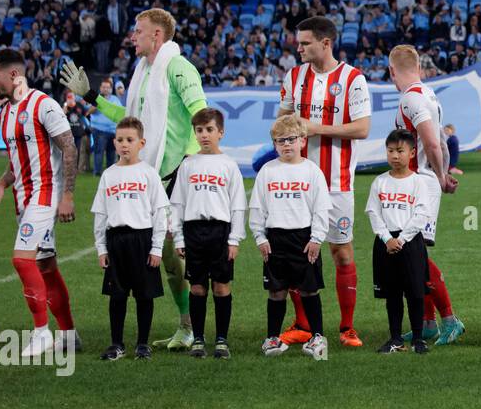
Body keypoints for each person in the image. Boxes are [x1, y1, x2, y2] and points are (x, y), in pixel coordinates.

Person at [60, 8, 209, 352]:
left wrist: (189, 161)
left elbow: (200, 114)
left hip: (172, 178)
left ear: (156, 36)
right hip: (147, 179)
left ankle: (194, 328)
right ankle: (188, 327)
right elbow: (129, 121)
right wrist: (91, 97)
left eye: (138, 31)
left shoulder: (178, 68)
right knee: (167, 257)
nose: (132, 37)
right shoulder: (143, 71)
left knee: (177, 255)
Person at [276, 16, 371, 347]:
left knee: (341, 252)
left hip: (336, 182)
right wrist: (288, 128)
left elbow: (362, 128)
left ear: (325, 43)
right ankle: (302, 324)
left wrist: (316, 128)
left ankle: (347, 327)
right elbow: (283, 118)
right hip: (296, 182)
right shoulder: (294, 76)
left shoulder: (352, 79)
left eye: (304, 43)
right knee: (295, 254)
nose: (298, 48)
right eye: (298, 43)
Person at [0, 48, 80, 358]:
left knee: (21, 260)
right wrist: (0, 182)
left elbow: (69, 147)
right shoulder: (6, 113)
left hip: (46, 194)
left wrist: (68, 195)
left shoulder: (43, 104)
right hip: (24, 198)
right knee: (45, 266)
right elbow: (18, 163)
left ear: (14, 75)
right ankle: (68, 334)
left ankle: (41, 333)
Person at [388, 45, 463, 345]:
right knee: (415, 254)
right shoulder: (429, 95)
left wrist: (438, 175)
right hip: (425, 179)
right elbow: (440, 144)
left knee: (414, 254)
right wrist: (442, 175)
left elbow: (432, 143)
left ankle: (449, 319)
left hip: (418, 182)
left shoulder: (411, 99)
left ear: (392, 71)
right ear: (418, 67)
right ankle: (428, 323)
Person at [249, 115, 333, 359]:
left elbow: (320, 210)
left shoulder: (312, 171)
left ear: (302, 141)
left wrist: (317, 238)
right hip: (275, 239)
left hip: (304, 238)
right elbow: (257, 209)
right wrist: (260, 238)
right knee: (276, 291)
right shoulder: (268, 171)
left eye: (291, 139)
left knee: (309, 290)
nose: (286, 144)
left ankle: (317, 337)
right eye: (280, 140)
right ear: (274, 144)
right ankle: (272, 339)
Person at [170, 108, 246, 359]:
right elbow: (177, 204)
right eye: (199, 130)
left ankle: (221, 340)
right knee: (198, 287)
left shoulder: (229, 166)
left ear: (221, 133)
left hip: (220, 232)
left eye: (209, 130)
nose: (204, 135)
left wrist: (234, 239)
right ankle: (199, 339)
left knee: (221, 287)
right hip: (194, 231)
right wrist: (179, 237)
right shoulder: (188, 164)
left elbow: (237, 205)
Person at [92, 118, 169, 361]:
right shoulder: (108, 175)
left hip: (142, 239)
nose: (124, 145)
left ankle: (142, 344)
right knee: (117, 295)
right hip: (116, 240)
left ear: (141, 143)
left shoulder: (148, 174)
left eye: (130, 140)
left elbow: (160, 213)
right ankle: (116, 344)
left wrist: (156, 247)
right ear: (114, 142)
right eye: (120, 140)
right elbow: (101, 214)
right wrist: (101, 248)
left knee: (144, 295)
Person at [366, 129, 433, 354]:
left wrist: (401, 239)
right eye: (391, 151)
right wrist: (387, 238)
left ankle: (417, 338)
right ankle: (395, 338)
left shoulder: (418, 183)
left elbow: (422, 215)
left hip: (411, 243)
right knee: (392, 294)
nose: (395, 156)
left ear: (412, 153)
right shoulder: (379, 182)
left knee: (415, 293)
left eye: (400, 151)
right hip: (385, 244)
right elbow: (373, 213)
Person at [87, 78, 120, 176]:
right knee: (99, 152)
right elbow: (88, 112)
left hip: (113, 130)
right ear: (100, 88)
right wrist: (97, 102)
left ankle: (110, 172)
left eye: (108, 87)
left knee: (111, 152)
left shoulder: (115, 99)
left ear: (111, 89)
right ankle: (97, 172)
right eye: (103, 87)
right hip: (99, 129)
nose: (105, 89)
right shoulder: (95, 98)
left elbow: (119, 113)